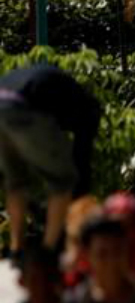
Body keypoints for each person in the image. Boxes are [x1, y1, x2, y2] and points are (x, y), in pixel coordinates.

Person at [0, 64, 101, 254]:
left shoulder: (63, 91)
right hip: (24, 108)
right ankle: (49, 252)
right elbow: (81, 159)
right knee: (63, 181)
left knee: (15, 183)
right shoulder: (88, 110)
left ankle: (16, 248)